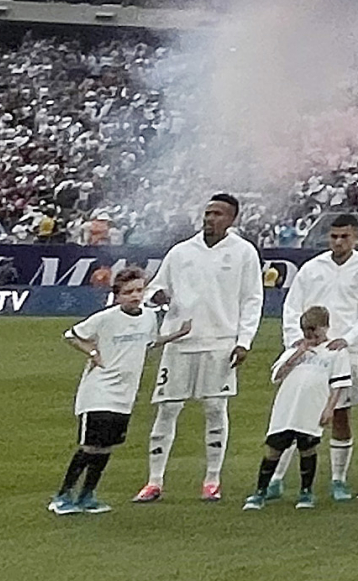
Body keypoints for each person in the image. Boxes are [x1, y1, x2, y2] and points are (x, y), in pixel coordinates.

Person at [139, 192, 266, 503]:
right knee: (168, 409)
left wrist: (244, 341)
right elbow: (156, 286)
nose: (210, 218)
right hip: (179, 341)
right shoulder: (182, 251)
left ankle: (212, 479)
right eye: (208, 213)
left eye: (218, 214)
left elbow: (252, 300)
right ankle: (154, 481)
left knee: (214, 408)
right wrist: (155, 297)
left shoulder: (243, 253)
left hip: (220, 342)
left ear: (232, 219)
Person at [54, 267, 186, 514]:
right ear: (117, 295)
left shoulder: (148, 317)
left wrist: (178, 334)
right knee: (90, 446)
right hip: (99, 390)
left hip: (125, 394)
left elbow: (149, 343)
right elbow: (72, 335)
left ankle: (87, 495)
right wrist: (93, 354)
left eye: (139, 290)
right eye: (128, 292)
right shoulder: (105, 318)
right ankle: (62, 496)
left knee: (106, 447)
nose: (135, 296)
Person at [279, 212, 358, 500]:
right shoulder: (313, 268)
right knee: (296, 412)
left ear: (357, 237)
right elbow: (292, 307)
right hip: (309, 351)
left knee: (340, 415)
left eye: (345, 237)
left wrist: (348, 339)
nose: (338, 241)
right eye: (334, 236)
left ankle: (338, 479)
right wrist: (295, 341)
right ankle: (276, 479)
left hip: (343, 353)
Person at [243, 306, 345, 509]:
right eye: (306, 332)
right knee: (274, 448)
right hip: (287, 407)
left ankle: (306, 493)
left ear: (325, 327)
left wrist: (329, 409)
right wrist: (296, 354)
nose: (310, 336)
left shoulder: (335, 353)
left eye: (314, 331)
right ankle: (260, 492)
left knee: (307, 447)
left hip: (312, 407)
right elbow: (277, 375)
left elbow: (338, 384)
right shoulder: (294, 350)